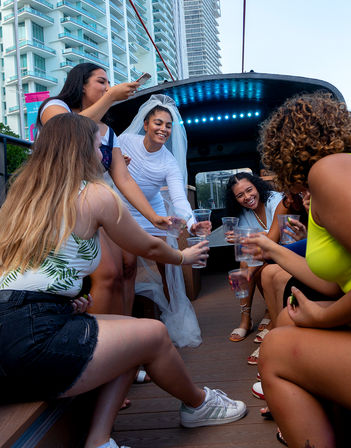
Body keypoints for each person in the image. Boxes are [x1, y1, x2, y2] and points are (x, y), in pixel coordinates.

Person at [0, 114, 247, 448]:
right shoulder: (94, 194)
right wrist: (183, 257)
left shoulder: (19, 201)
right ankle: (199, 404)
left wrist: (65, 299)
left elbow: (24, 275)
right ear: (81, 149)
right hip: (33, 342)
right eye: (98, 147)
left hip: (10, 336)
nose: (103, 154)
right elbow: (144, 244)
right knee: (154, 334)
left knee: (125, 332)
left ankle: (99, 441)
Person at [245, 91, 351, 447]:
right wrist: (273, 249)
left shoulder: (331, 171)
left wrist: (324, 319)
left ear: (287, 149)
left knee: (276, 350)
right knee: (289, 320)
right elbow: (333, 284)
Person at [36, 63, 171, 316]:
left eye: (109, 84)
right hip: (60, 202)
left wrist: (154, 217)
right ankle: (98, 338)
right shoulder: (55, 108)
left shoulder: (108, 133)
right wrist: (111, 98)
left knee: (127, 266)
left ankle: (125, 330)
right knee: (108, 273)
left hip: (97, 202)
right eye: (101, 82)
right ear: (81, 84)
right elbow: (67, 130)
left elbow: (124, 180)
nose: (108, 87)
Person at [118, 94, 211, 348]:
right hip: (121, 211)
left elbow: (179, 198)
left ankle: (175, 317)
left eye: (168, 125)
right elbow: (105, 170)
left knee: (168, 263)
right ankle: (123, 324)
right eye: (158, 123)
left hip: (153, 213)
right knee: (126, 267)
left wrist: (191, 223)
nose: (163, 129)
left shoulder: (169, 162)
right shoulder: (124, 141)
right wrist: (115, 165)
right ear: (146, 124)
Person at [224, 172, 286, 344]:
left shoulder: (275, 199)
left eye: (249, 190)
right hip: (264, 254)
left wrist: (244, 237)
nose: (247, 197)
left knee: (250, 262)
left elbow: (278, 235)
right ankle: (247, 318)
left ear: (257, 186)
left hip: (286, 250)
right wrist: (242, 238)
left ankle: (262, 316)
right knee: (248, 256)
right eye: (240, 195)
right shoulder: (243, 213)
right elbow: (249, 243)